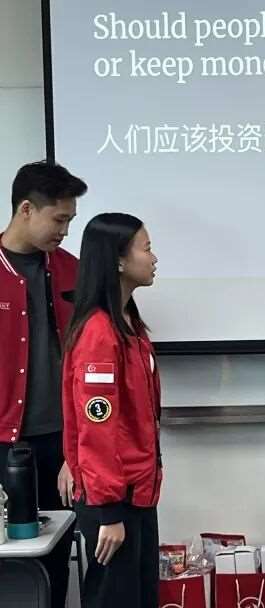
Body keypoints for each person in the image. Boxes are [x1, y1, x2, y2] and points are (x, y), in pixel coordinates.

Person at [62, 213, 161, 608]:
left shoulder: (129, 324)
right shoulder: (100, 333)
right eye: (147, 249)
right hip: (114, 503)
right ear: (118, 260)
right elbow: (97, 427)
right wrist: (108, 512)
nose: (154, 258)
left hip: (138, 495)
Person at [0, 160, 86, 608]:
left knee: (55, 557)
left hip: (60, 443)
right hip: (2, 440)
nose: (65, 231)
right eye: (59, 219)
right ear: (26, 209)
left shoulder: (73, 271)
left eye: (70, 221)